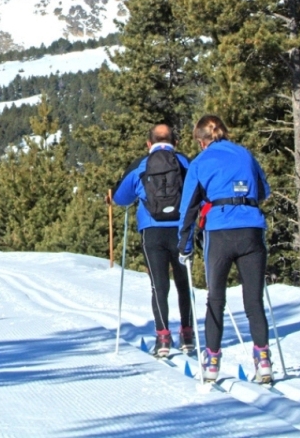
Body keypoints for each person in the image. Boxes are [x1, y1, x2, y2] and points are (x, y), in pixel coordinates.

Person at [177, 115, 273, 384]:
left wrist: (184, 246)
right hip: (252, 229)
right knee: (254, 301)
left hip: (219, 232)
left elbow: (188, 208)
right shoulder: (245, 154)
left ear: (200, 141)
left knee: (216, 300)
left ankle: (211, 363)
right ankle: (263, 361)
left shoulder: (200, 162)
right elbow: (264, 190)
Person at [110, 123, 194, 357]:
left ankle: (163, 337)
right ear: (174, 142)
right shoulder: (184, 163)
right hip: (181, 229)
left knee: (159, 284)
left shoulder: (141, 165)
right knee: (183, 282)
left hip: (152, 230)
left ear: (149, 143)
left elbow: (120, 198)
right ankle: (187, 335)